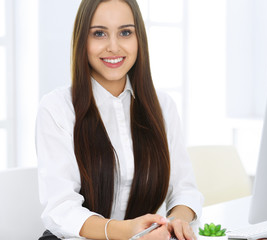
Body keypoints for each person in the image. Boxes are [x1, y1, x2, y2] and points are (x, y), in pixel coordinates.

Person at [35, 0, 203, 239]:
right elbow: (61, 209)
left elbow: (185, 190)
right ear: (82, 40)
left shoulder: (162, 106)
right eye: (99, 33)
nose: (113, 47)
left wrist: (174, 223)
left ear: (139, 39)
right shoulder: (57, 108)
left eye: (125, 32)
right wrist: (127, 231)